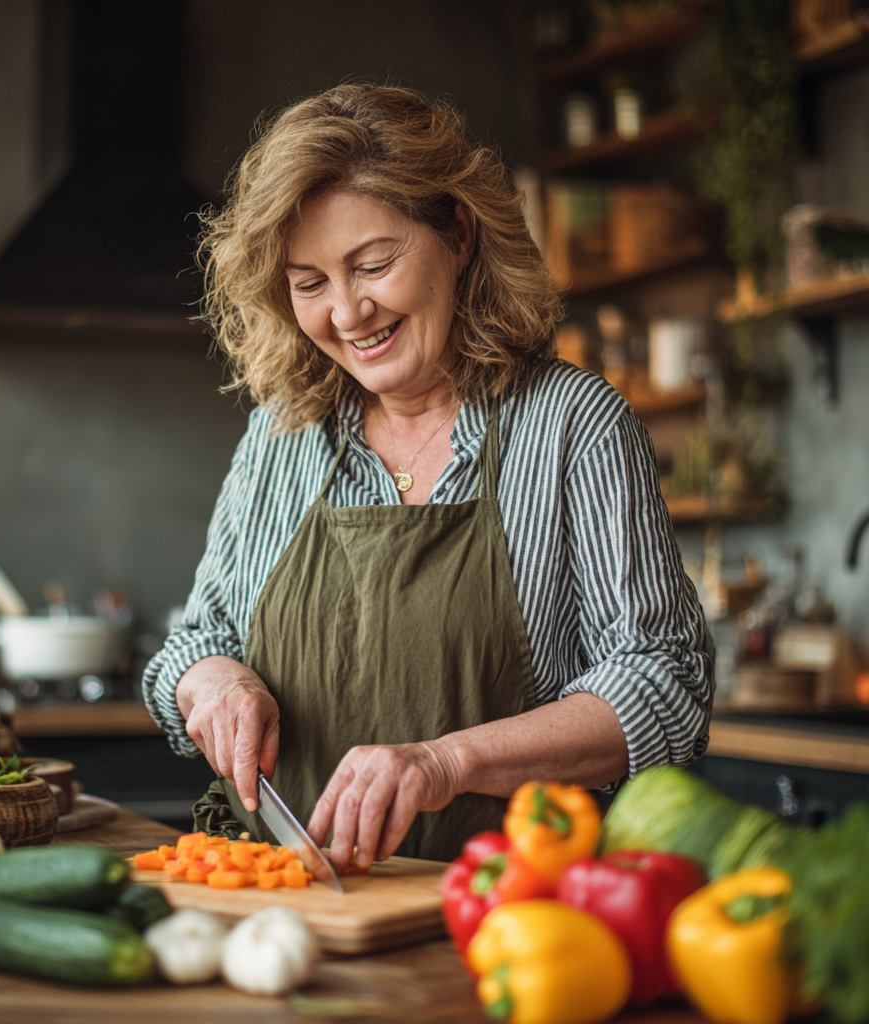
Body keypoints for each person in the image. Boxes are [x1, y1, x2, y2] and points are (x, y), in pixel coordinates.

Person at [143, 83, 713, 870]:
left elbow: (665, 685)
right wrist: (216, 685)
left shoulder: (572, 426)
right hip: (283, 905)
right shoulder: (281, 437)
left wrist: (444, 763)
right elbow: (196, 641)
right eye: (309, 283)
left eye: (372, 265)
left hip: (506, 920)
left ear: (460, 234)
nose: (347, 313)